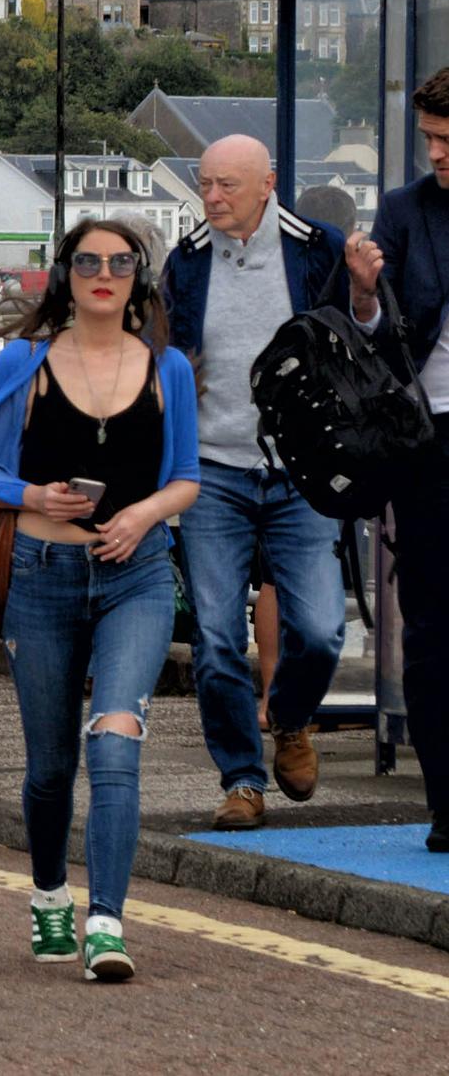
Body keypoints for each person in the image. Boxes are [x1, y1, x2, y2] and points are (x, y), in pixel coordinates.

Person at [0, 218, 201, 982]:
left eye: (121, 261)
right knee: (50, 765)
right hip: (41, 573)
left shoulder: (169, 369)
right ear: (66, 273)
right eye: (90, 261)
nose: (105, 273)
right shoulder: (23, 362)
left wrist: (142, 513)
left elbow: (187, 477)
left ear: (140, 276)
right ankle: (47, 895)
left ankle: (106, 919)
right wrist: (33, 492)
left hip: (136, 575)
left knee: (114, 745)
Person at [159, 135, 350, 830]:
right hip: (213, 469)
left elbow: (360, 337)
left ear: (267, 182)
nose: (212, 198)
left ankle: (291, 715)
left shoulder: (316, 246)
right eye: (205, 183)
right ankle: (241, 777)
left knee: (324, 629)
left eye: (227, 186)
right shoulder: (187, 260)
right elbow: (166, 358)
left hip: (302, 470)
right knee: (214, 636)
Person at [345, 65, 449, 854]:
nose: (437, 154)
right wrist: (369, 295)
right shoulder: (406, 210)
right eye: (430, 140)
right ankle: (447, 801)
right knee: (434, 623)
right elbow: (377, 339)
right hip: (431, 438)